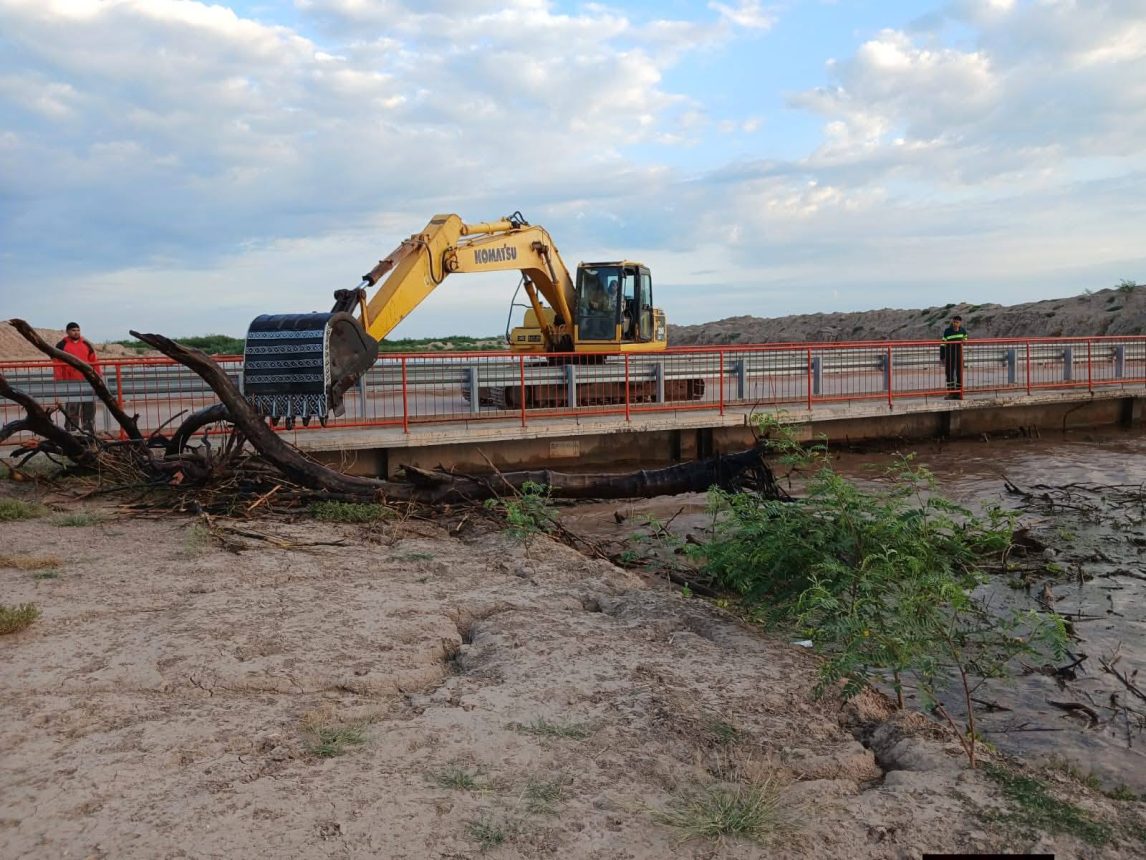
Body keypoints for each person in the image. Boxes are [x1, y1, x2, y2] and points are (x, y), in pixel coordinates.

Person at [53, 321, 101, 433]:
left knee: (89, 408)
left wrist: (98, 376)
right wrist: (59, 380)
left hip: (87, 381)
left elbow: (94, 361)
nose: (76, 332)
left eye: (78, 330)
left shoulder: (86, 344)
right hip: (70, 382)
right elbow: (57, 364)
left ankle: (89, 432)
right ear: (68, 331)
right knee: (72, 408)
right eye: (73, 330)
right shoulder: (61, 345)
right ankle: (71, 432)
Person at [940, 315, 968, 400]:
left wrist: (964, 341)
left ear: (960, 323)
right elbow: (942, 344)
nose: (955, 324)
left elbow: (965, 338)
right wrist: (942, 356)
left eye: (957, 322)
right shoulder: (947, 331)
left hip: (959, 355)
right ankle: (951, 393)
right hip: (949, 355)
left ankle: (959, 393)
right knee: (949, 374)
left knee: (959, 374)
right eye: (954, 322)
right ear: (952, 322)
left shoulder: (963, 330)